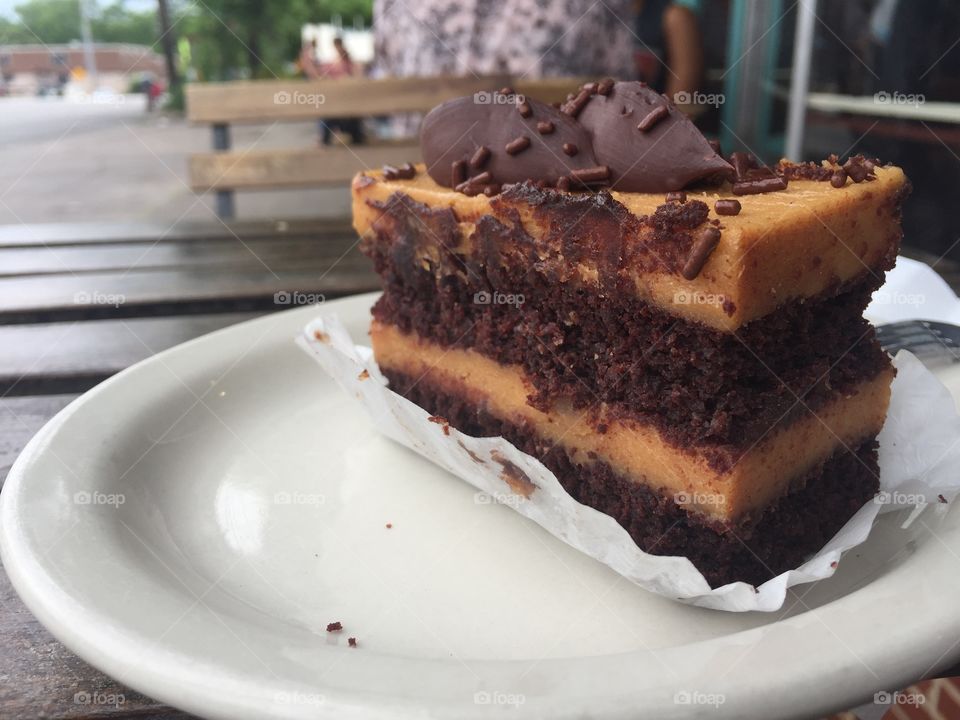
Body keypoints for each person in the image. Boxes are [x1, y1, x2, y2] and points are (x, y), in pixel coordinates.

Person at [304, 35, 366, 146]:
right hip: (336, 110)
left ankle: (326, 140)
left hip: (349, 110)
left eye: (338, 46)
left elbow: (358, 75)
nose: (338, 49)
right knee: (327, 120)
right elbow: (315, 74)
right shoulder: (331, 65)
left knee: (354, 135)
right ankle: (325, 140)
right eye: (336, 46)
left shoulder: (350, 64)